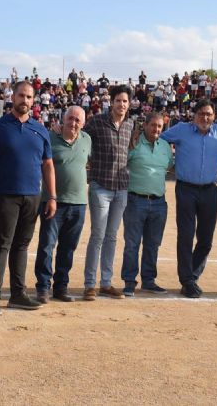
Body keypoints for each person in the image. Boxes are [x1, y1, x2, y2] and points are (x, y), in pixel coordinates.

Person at [0, 81, 56, 315]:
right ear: (12, 97)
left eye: (29, 97)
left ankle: (17, 294)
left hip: (32, 195)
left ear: (33, 100)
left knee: (22, 245)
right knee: (2, 244)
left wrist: (52, 196)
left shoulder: (40, 129)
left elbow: (47, 165)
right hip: (3, 194)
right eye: (21, 96)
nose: (25, 100)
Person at [160, 99, 217, 298]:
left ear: (214, 116)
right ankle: (187, 280)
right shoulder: (181, 129)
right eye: (201, 114)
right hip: (185, 189)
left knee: (206, 239)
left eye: (209, 114)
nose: (205, 117)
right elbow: (158, 138)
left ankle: (192, 277)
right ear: (194, 116)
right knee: (186, 236)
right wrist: (168, 158)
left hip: (210, 190)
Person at [82, 85, 135, 300]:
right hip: (100, 186)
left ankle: (105, 282)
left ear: (129, 104)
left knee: (111, 237)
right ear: (111, 102)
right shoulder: (96, 121)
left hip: (121, 188)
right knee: (97, 235)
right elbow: (79, 138)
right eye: (118, 101)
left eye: (125, 101)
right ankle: (89, 284)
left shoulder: (131, 124)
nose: (121, 105)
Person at [34, 106, 91, 303]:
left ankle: (61, 287)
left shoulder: (87, 140)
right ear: (63, 119)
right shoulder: (50, 137)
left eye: (78, 120)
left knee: (68, 248)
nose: (73, 123)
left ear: (83, 123)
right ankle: (42, 287)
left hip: (79, 203)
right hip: (53, 202)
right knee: (47, 245)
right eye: (70, 118)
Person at [121, 113, 174, 297]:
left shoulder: (165, 147)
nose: (156, 129)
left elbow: (169, 166)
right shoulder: (133, 143)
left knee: (153, 244)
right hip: (135, 200)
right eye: (153, 125)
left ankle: (148, 281)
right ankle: (129, 281)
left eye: (160, 126)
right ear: (145, 125)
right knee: (132, 243)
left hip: (159, 202)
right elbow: (120, 163)